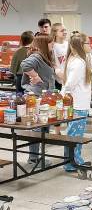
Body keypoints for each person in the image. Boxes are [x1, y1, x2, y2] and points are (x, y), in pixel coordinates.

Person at [21, 33, 56, 167]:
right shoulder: (36, 56)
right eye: (51, 42)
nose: (53, 45)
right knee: (37, 129)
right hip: (36, 98)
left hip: (46, 97)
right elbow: (25, 65)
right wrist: (35, 76)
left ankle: (38, 157)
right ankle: (33, 158)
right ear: (44, 44)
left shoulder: (45, 57)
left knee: (44, 129)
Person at [61, 33, 92, 172]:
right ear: (81, 45)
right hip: (78, 104)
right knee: (74, 135)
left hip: (79, 103)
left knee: (75, 134)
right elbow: (70, 84)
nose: (91, 45)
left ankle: (74, 160)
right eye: (88, 43)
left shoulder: (78, 60)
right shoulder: (79, 63)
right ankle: (72, 162)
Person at [50, 23, 69, 136]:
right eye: (62, 30)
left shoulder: (68, 44)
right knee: (57, 105)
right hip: (58, 79)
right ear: (55, 33)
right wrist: (58, 72)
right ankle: (57, 130)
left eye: (65, 30)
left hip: (69, 78)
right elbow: (53, 62)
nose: (65, 32)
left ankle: (69, 125)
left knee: (68, 104)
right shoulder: (53, 46)